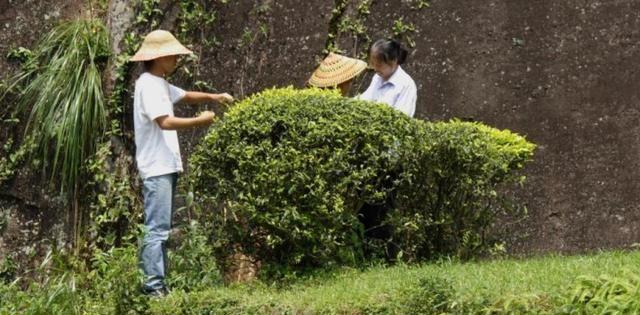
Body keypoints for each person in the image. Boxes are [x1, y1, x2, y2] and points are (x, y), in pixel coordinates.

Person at [130, 30, 234, 297]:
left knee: (160, 228)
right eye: (173, 54)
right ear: (160, 57)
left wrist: (214, 97)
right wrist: (199, 122)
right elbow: (164, 122)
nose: (177, 58)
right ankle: (153, 290)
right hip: (157, 168)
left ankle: (157, 286)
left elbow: (186, 95)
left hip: (165, 166)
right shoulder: (148, 84)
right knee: (157, 230)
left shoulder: (159, 82)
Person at [359, 39, 417, 117]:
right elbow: (365, 99)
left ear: (393, 62)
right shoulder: (377, 77)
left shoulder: (406, 85)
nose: (375, 69)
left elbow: (401, 118)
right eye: (373, 64)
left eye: (379, 65)